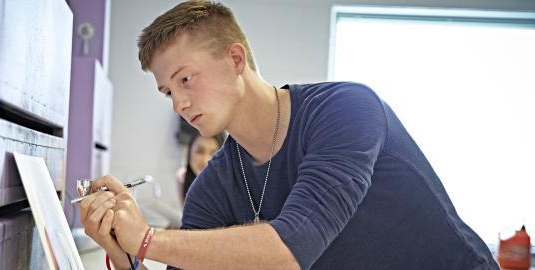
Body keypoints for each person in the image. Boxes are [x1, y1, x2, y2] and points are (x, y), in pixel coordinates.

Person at [78, 1, 498, 269]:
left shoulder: (347, 110)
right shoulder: (214, 186)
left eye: (186, 78)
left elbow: (293, 246)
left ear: (235, 59)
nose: (178, 104)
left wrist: (148, 239)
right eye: (168, 91)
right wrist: (122, 249)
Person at [176, 133, 225, 205]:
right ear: (189, 152)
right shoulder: (182, 177)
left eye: (214, 154)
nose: (205, 160)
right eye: (199, 151)